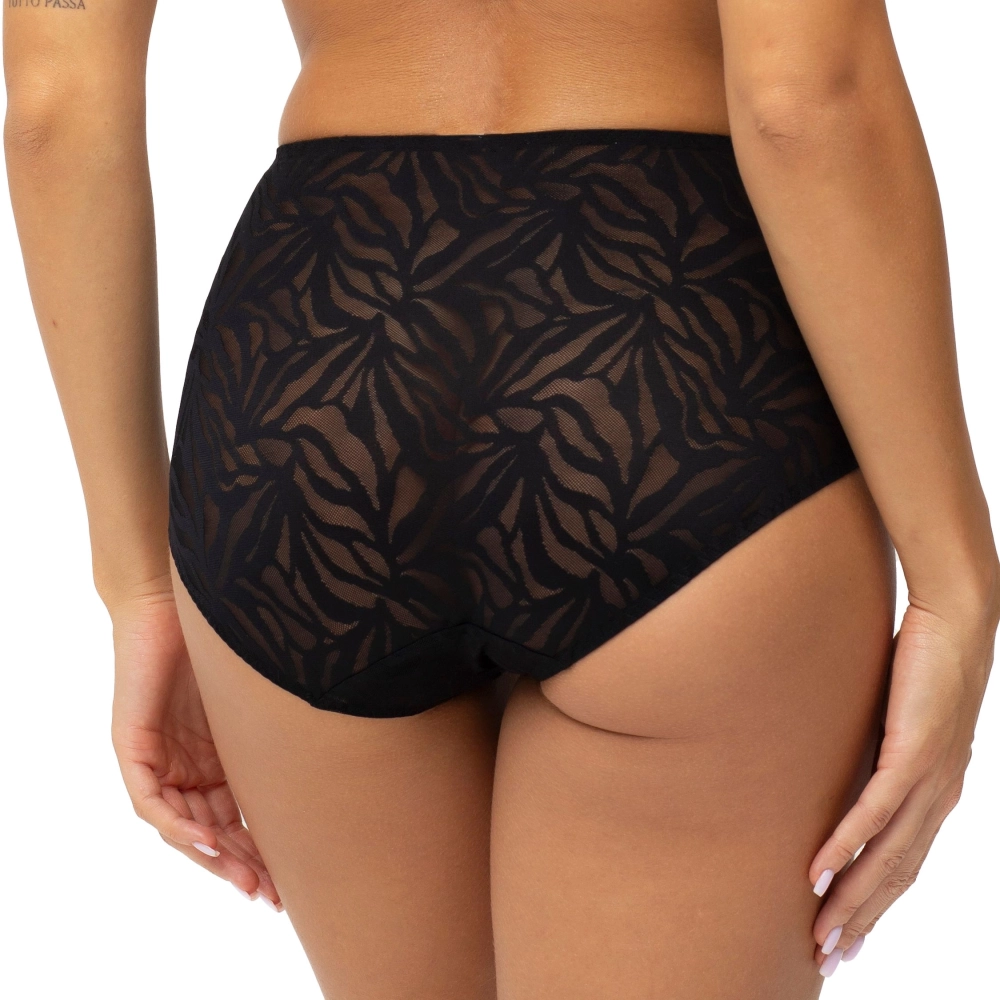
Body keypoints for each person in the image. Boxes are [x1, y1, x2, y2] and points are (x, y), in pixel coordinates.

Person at [5, 1, 997, 997]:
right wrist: (955, 586)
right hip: (667, 345)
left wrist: (138, 584)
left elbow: (53, 111)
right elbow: (803, 97)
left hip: (312, 367)